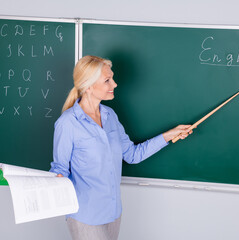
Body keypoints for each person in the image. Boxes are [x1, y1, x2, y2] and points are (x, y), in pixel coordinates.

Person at [50, 55, 193, 240]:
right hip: (85, 214)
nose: (115, 84)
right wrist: (55, 180)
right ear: (88, 86)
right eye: (107, 80)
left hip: (113, 212)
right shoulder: (68, 123)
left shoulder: (110, 116)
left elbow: (132, 155)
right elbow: (59, 169)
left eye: (113, 78)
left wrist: (169, 135)